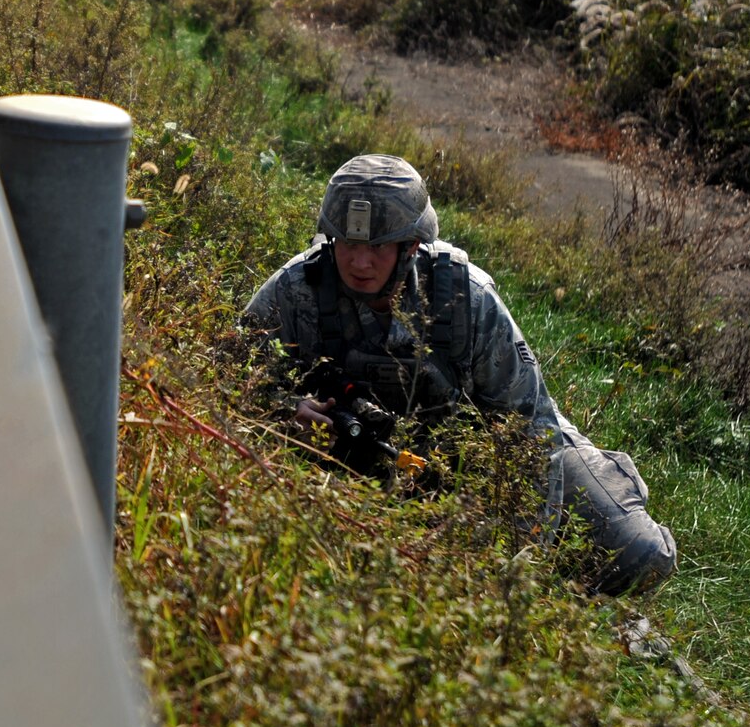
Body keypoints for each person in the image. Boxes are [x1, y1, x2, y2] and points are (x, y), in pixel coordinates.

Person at [243, 153, 677, 596]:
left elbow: (532, 429)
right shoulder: (297, 288)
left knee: (639, 557)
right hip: (362, 457)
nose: (360, 262)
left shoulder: (466, 298)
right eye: (348, 244)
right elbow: (226, 368)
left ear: (410, 246)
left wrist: (519, 561)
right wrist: (284, 410)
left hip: (488, 449)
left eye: (377, 247)